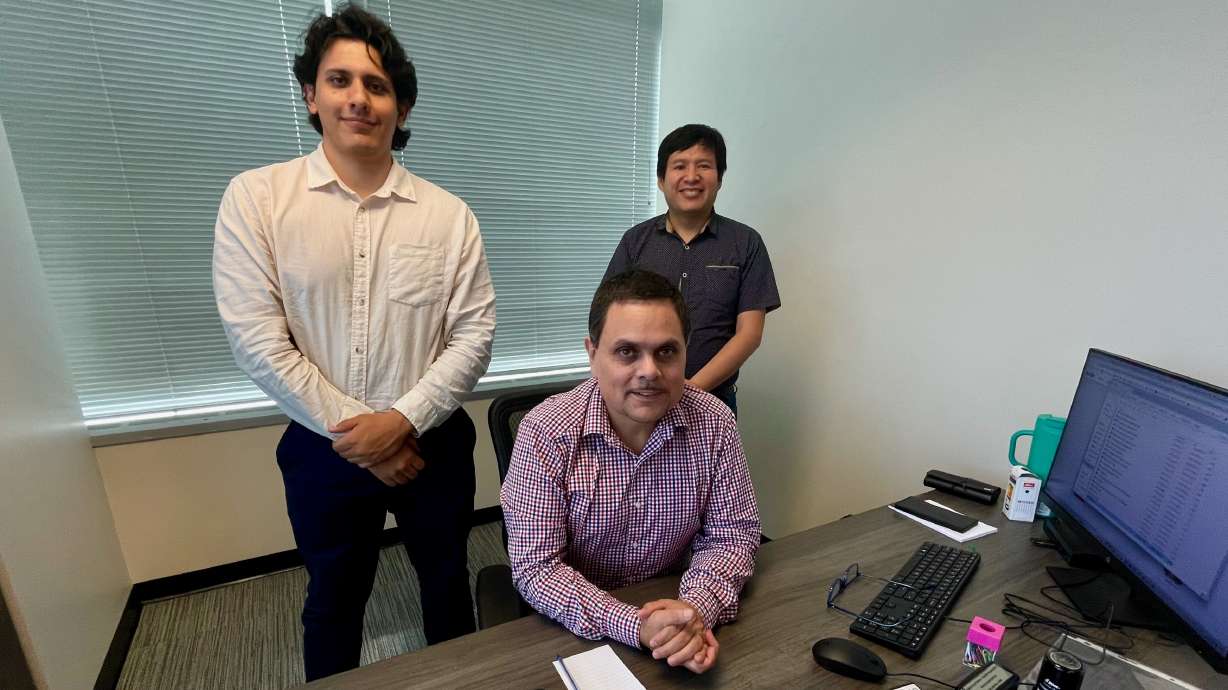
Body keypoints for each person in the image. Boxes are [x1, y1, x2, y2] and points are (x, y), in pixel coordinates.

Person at [212, 4, 496, 680]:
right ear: (311, 95)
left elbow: (474, 335)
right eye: (340, 81)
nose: (359, 99)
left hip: (433, 446)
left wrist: (399, 423)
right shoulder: (257, 200)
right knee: (333, 601)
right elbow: (258, 340)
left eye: (377, 85)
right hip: (320, 448)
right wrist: (360, 439)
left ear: (401, 107)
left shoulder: (449, 216)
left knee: (446, 587)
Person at [500, 269, 760, 674]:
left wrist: (694, 610)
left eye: (666, 352)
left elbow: (732, 536)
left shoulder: (716, 423)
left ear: (686, 352)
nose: (649, 371)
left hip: (676, 612)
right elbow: (538, 567)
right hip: (576, 631)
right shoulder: (545, 431)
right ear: (592, 353)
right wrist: (637, 626)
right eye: (626, 352)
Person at [604, 124, 780, 415]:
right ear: (661, 179)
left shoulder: (746, 243)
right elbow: (606, 320)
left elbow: (749, 334)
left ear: (720, 178)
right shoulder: (636, 241)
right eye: (679, 166)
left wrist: (691, 390)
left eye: (704, 166)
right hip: (640, 397)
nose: (691, 177)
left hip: (713, 400)